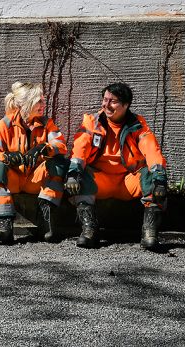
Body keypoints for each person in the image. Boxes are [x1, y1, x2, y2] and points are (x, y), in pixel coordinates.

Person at [64, 82, 168, 250]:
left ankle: (150, 233)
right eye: (105, 100)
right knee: (79, 175)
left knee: (153, 177)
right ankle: (89, 231)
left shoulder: (138, 125)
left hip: (128, 181)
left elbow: (151, 150)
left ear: (126, 105)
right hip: (100, 180)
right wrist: (73, 172)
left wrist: (160, 177)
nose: (106, 105)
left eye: (112, 101)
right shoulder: (92, 122)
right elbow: (80, 149)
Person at [0, 81, 70, 244]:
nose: (43, 104)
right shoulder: (5, 125)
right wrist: (8, 157)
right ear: (25, 104)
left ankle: (46, 221)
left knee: (59, 163)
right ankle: (4, 227)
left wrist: (44, 148)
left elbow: (61, 146)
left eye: (43, 100)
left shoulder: (47, 123)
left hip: (35, 179)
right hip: (14, 179)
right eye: (39, 101)